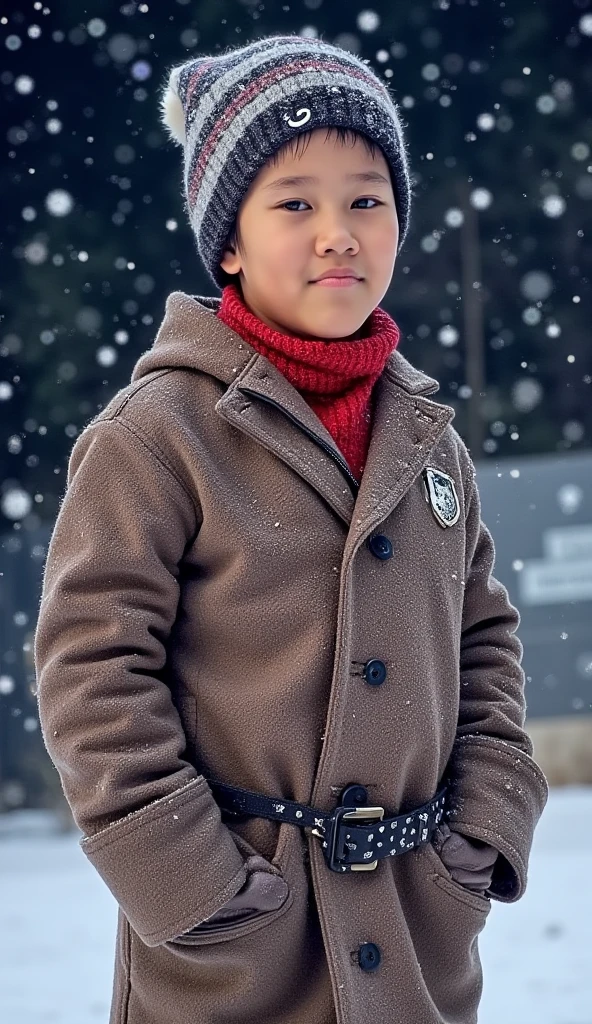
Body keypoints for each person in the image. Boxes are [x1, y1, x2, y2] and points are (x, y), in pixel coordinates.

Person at [34, 33, 549, 1024]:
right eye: (294, 203)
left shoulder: (431, 445)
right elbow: (91, 670)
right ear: (227, 238)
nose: (337, 232)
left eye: (365, 199)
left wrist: (487, 821)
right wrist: (192, 883)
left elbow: (483, 641)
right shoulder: (155, 439)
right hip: (232, 959)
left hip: (415, 938)